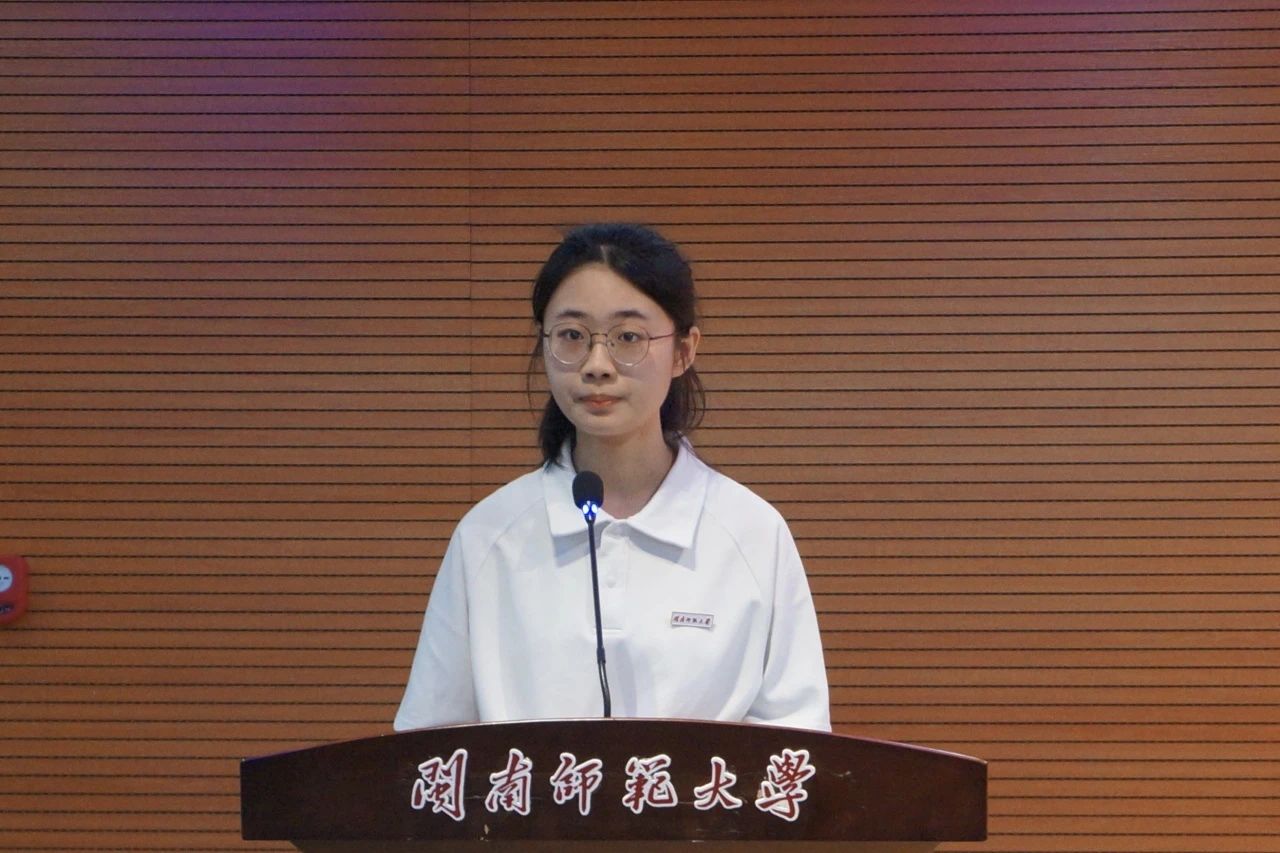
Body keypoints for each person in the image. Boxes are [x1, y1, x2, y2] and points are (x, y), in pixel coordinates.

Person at [394, 223, 830, 732]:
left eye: (628, 338)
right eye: (572, 336)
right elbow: (429, 747)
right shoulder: (488, 536)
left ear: (684, 350)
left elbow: (797, 745)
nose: (597, 365)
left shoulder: (753, 533)